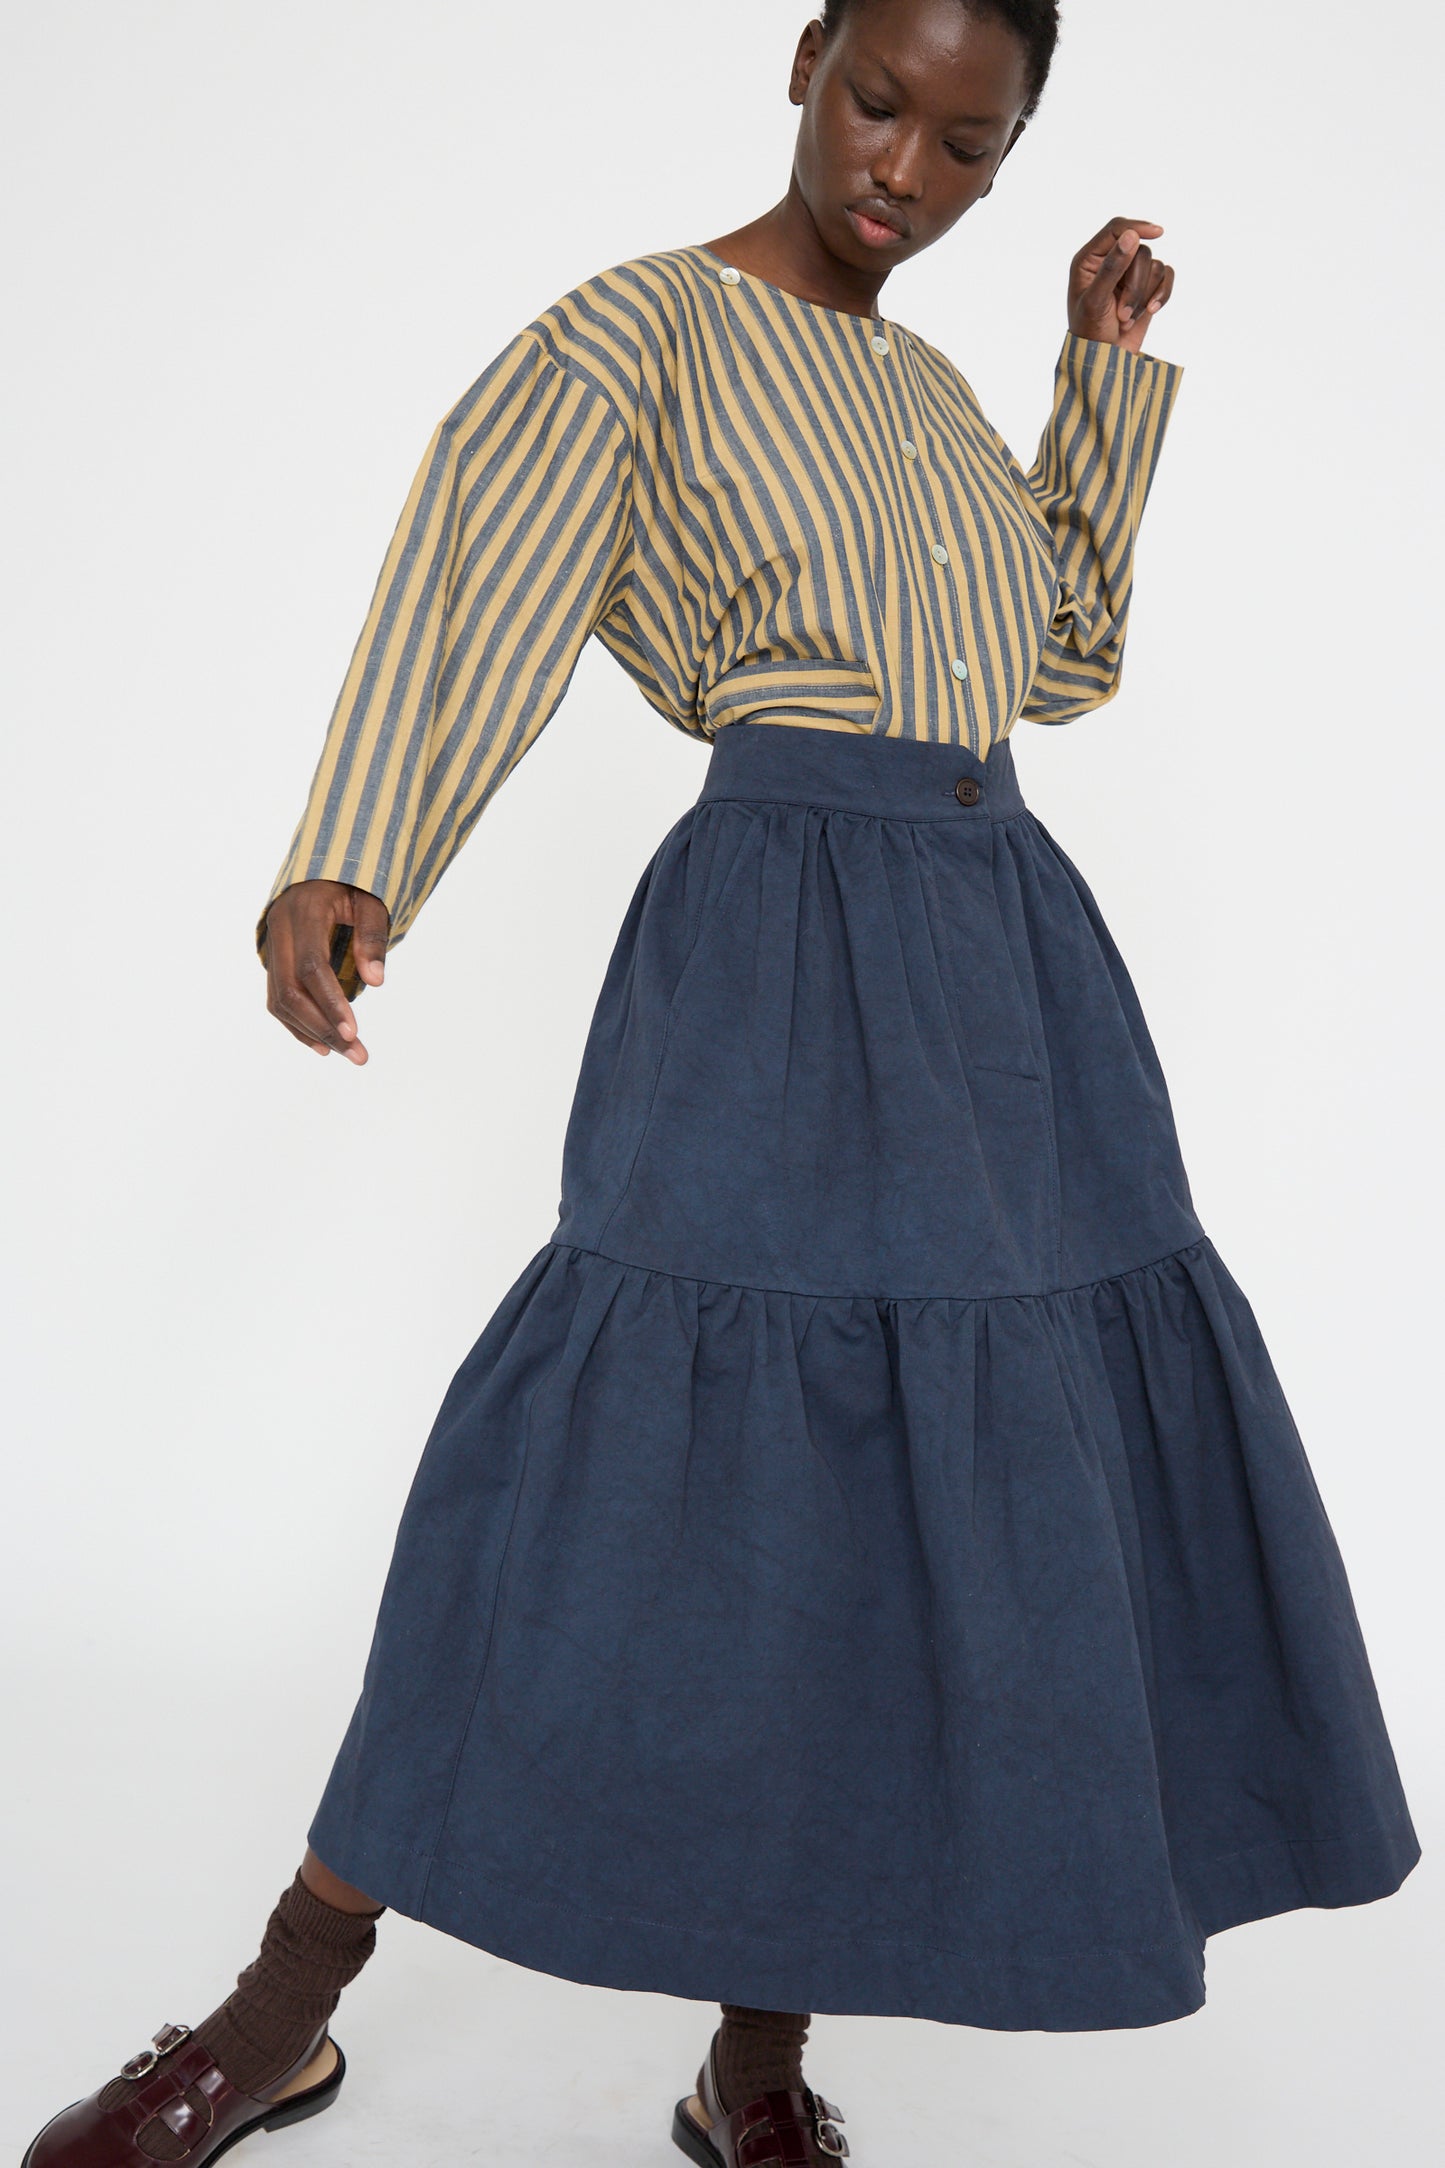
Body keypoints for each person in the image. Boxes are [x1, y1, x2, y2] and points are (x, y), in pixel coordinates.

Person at [25, 3, 1420, 2164]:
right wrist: (352, 850)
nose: (906, 167)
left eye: (970, 145)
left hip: (1012, 963)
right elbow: (480, 575)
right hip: (779, 928)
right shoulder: (636, 334)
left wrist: (1101, 385)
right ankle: (277, 2008)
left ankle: (751, 2056)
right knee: (598, 1449)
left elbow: (1060, 655)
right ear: (804, 63)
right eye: (881, 101)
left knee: (885, 1498)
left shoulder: (945, 392)